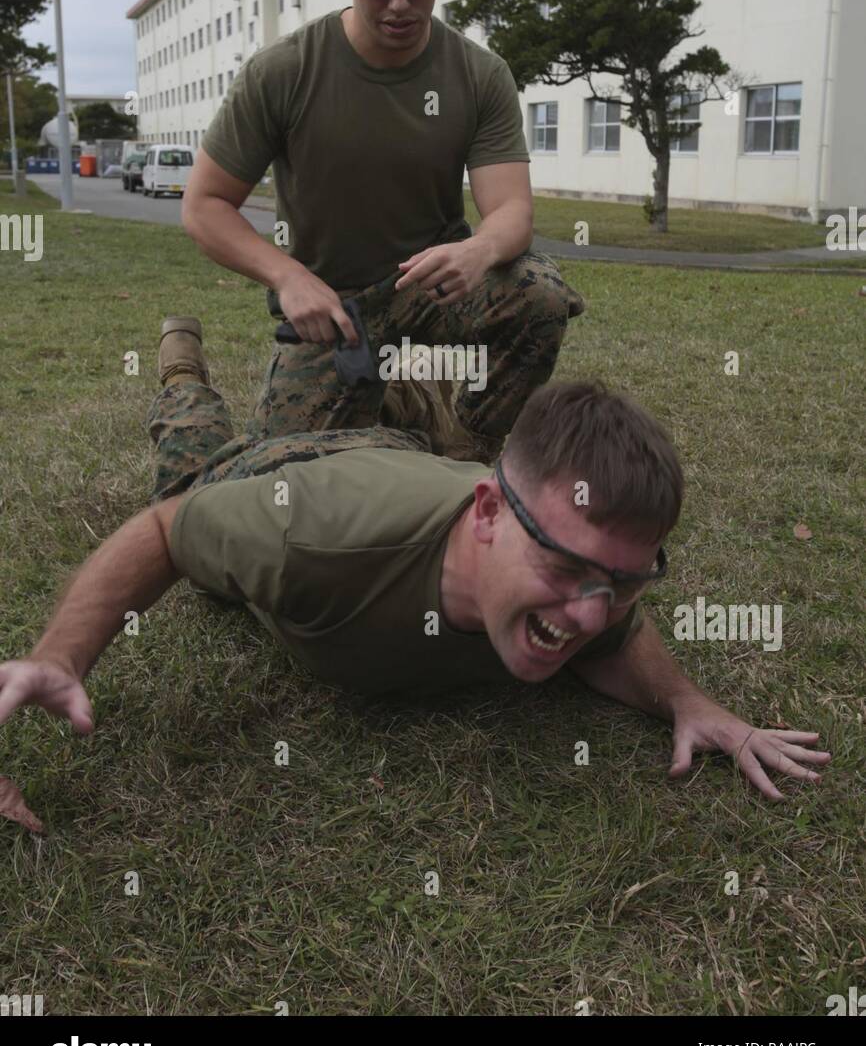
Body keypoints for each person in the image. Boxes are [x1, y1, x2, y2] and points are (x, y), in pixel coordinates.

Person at [0, 324, 831, 802]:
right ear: (487, 514)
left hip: (395, 455)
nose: (588, 613)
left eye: (619, 582)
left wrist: (690, 704)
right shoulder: (312, 541)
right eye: (567, 570)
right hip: (282, 476)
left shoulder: (590, 584)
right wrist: (58, 659)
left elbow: (617, 639)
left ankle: (375, 386)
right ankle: (182, 355)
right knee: (193, 443)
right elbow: (163, 532)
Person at [180, 0, 584, 464]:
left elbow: (512, 211)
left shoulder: (478, 74)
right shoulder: (285, 72)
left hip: (430, 289)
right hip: (332, 311)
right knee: (272, 485)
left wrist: (479, 250)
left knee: (540, 293)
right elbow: (205, 205)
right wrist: (289, 279)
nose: (399, 4)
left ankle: (465, 448)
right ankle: (182, 378)